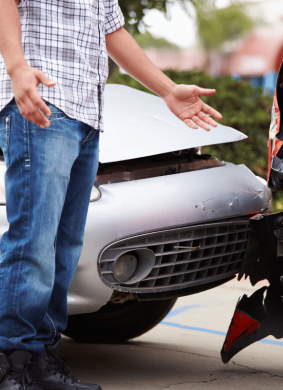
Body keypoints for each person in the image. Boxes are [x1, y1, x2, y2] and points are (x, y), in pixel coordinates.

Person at [0, 0, 222, 389]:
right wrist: (17, 67)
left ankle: (43, 361)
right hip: (41, 104)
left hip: (86, 116)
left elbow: (112, 32)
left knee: (64, 247)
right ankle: (11, 364)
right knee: (33, 243)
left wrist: (168, 91)